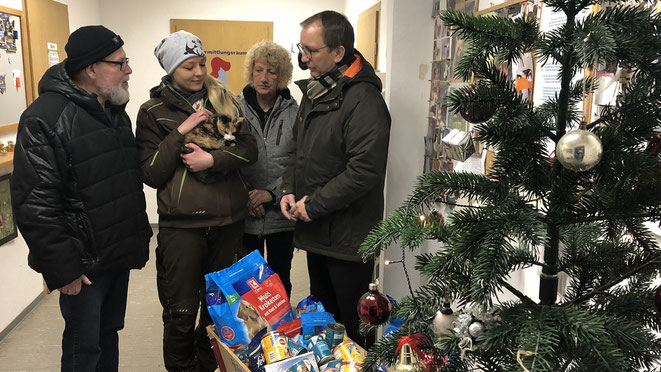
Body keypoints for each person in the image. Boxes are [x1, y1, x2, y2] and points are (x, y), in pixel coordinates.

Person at [11, 25, 152, 371]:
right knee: (83, 349)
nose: (128, 70)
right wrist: (64, 270)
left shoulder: (114, 112)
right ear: (90, 69)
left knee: (108, 337)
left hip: (115, 254)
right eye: (120, 63)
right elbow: (35, 205)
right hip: (83, 266)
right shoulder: (44, 118)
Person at [136, 30, 257, 372]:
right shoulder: (152, 111)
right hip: (181, 228)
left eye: (201, 63)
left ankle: (208, 367)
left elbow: (250, 151)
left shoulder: (226, 101)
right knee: (181, 312)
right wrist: (180, 132)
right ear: (171, 69)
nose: (199, 72)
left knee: (220, 312)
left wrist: (213, 161)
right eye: (188, 66)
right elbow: (151, 173)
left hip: (227, 223)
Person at [280, 10, 391, 347]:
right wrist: (287, 189)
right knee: (324, 325)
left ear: (339, 52)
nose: (303, 58)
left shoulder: (364, 100)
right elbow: (297, 149)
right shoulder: (316, 92)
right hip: (317, 230)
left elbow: (364, 171)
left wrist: (313, 204)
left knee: (354, 333)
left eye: (311, 51)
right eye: (301, 48)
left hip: (348, 239)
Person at [239, 41, 298, 298]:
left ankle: (280, 336)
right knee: (247, 285)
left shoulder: (296, 112)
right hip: (244, 214)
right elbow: (226, 158)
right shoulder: (233, 108)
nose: (264, 78)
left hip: (281, 215)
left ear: (282, 75)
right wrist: (248, 194)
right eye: (259, 70)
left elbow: (298, 160)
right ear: (251, 72)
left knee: (280, 281)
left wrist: (271, 193)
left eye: (272, 72)